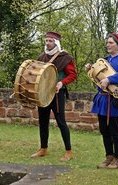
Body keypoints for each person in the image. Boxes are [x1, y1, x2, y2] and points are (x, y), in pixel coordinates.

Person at [86, 32, 118, 169]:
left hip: (114, 99)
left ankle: (117, 159)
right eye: (107, 42)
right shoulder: (105, 60)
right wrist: (90, 69)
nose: (108, 45)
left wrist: (109, 79)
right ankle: (108, 156)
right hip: (102, 99)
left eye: (111, 43)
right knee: (104, 129)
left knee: (115, 130)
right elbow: (97, 75)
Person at [31, 31, 77, 161]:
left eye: (50, 41)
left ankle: (69, 151)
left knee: (61, 122)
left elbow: (73, 75)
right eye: (46, 41)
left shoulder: (65, 58)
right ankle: (43, 149)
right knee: (43, 121)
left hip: (57, 94)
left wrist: (62, 83)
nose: (48, 43)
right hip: (42, 94)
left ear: (56, 42)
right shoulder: (41, 57)